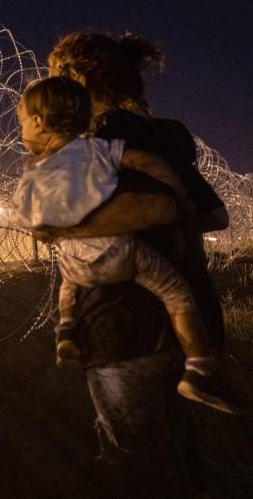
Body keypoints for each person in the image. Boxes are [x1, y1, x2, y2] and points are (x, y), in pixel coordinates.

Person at [36, 32, 243, 497]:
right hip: (185, 324)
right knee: (178, 455)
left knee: (138, 472)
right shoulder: (166, 135)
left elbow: (155, 208)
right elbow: (214, 214)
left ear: (80, 80)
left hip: (122, 326)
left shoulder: (97, 142)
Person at [11, 76, 241, 414]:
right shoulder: (97, 149)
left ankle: (66, 333)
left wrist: (54, 226)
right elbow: (150, 164)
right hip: (122, 251)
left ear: (39, 122)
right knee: (177, 294)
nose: (20, 131)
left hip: (75, 262)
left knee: (67, 288)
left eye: (21, 123)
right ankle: (198, 368)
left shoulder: (32, 170)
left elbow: (31, 223)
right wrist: (178, 194)